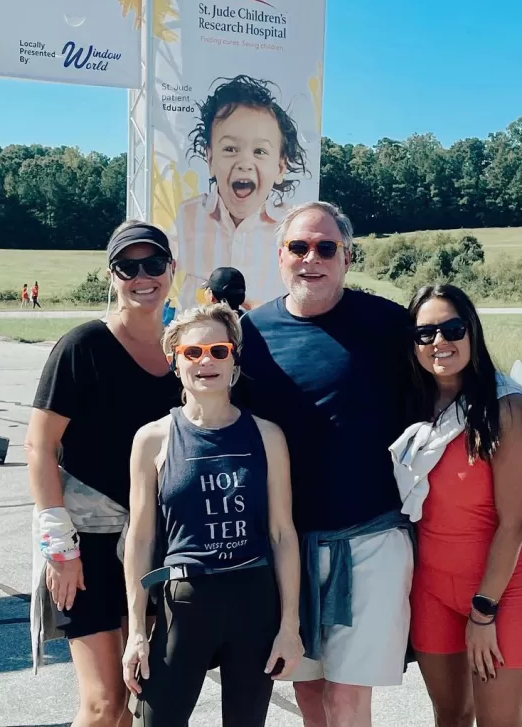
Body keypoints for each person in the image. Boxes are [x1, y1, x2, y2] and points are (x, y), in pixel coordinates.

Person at [237, 201, 414, 727]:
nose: (311, 258)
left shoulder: (387, 323)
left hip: (371, 540)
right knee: (309, 695)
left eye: (325, 247)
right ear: (280, 255)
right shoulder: (253, 332)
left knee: (348, 698)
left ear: (347, 256)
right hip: (287, 546)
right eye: (299, 247)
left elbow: (450, 372)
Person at [25, 221, 182, 727]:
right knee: (103, 704)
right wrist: (58, 545)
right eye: (127, 266)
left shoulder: (184, 352)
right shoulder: (82, 347)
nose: (142, 276)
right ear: (111, 275)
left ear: (171, 270)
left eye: (153, 264)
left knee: (139, 699)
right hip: (85, 542)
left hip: (154, 542)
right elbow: (39, 445)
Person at [123, 303, 302, 726]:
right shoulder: (152, 439)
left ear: (234, 361)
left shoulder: (267, 435)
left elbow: (282, 534)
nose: (206, 361)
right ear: (175, 361)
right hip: (185, 602)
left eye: (219, 351)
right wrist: (135, 631)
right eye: (193, 352)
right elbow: (141, 537)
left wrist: (289, 626)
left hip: (252, 601)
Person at [391, 285, 522, 727]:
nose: (439, 342)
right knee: (449, 716)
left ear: (472, 332)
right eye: (425, 333)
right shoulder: (414, 404)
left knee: (497, 722)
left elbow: (515, 524)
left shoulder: (505, 408)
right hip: (432, 589)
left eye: (452, 329)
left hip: (500, 594)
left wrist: (484, 613)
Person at [174, 75, 309, 309]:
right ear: (210, 158)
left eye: (259, 151)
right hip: (199, 343)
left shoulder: (294, 229)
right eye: (230, 148)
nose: (244, 161)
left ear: (280, 167)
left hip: (265, 343)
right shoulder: (187, 215)